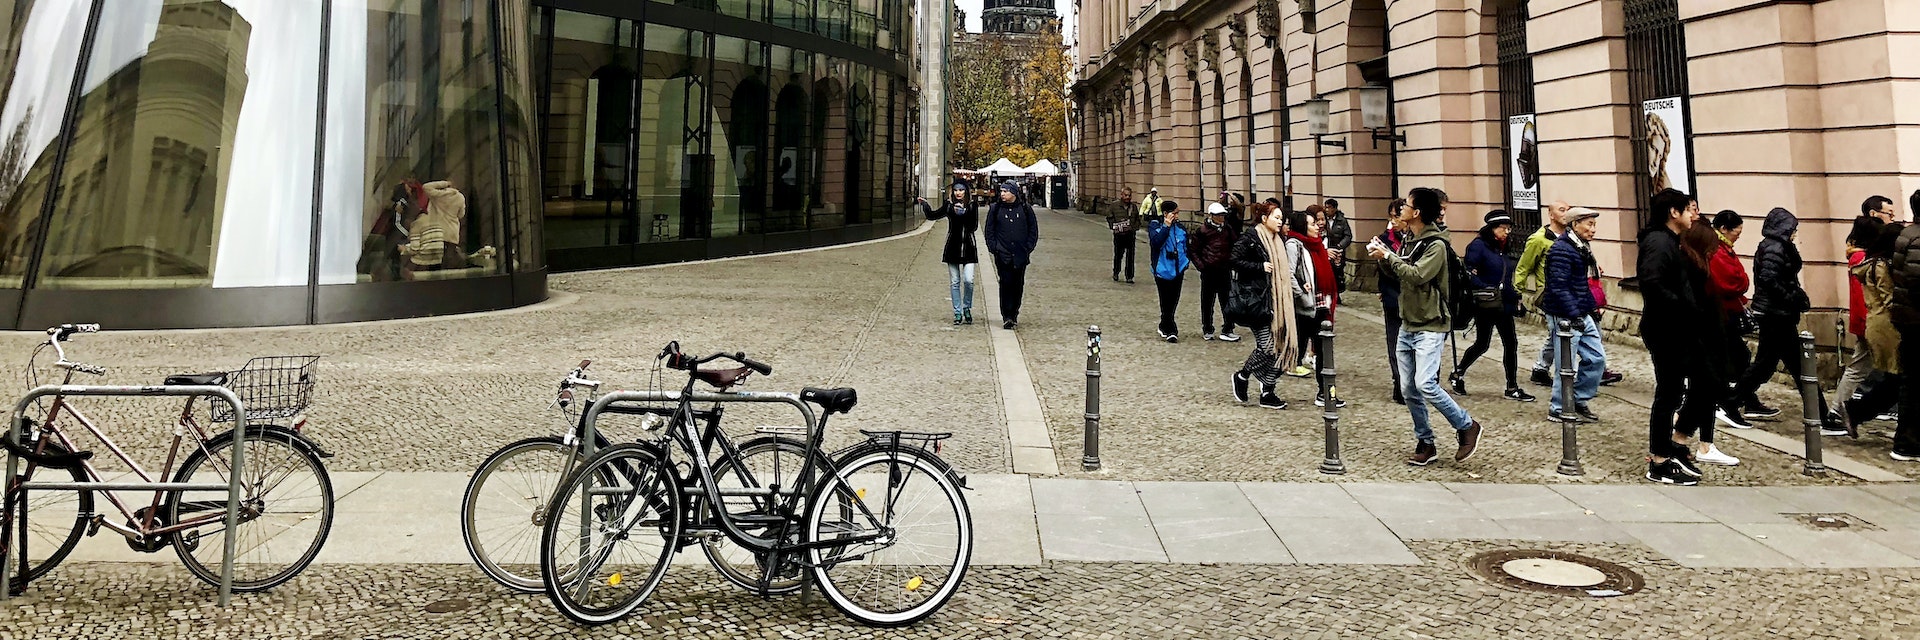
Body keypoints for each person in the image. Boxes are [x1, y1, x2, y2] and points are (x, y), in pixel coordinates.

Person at [1369, 187, 1484, 466]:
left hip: (1432, 323)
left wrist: (1389, 257)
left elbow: (1418, 275)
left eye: (1406, 205)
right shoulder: (1410, 239)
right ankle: (1426, 442)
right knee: (1408, 388)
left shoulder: (1436, 245)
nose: (1401, 210)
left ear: (1417, 213)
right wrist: (1383, 258)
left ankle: (1466, 425)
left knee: (1426, 384)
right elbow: (1401, 274)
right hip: (1410, 321)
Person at [1638, 189, 1719, 485]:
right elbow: (1652, 283)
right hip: (1667, 327)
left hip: (1682, 326)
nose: (1692, 215)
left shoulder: (1670, 240)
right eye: (1687, 210)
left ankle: (1677, 440)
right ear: (1674, 212)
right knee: (1669, 392)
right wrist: (1682, 307)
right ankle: (1659, 460)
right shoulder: (1658, 242)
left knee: (1708, 381)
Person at [1731, 208, 1811, 420]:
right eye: (1793, 229)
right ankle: (1732, 402)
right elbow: (1770, 279)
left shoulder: (1778, 246)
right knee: (1792, 366)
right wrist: (1792, 297)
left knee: (1769, 365)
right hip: (1775, 314)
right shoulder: (1775, 247)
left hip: (1777, 312)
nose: (1795, 232)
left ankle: (1733, 402)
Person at [1452, 210, 1535, 402]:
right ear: (1492, 228)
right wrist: (1486, 288)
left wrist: (1516, 297)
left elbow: (1506, 276)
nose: (1507, 232)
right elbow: (1469, 274)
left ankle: (1512, 386)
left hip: (1504, 304)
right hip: (1486, 303)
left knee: (1511, 343)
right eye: (1503, 228)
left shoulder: (1504, 248)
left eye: (1509, 228)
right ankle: (1458, 373)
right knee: (1482, 344)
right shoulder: (1478, 246)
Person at [1839, 222, 1907, 437]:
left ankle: (1856, 411)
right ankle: (1855, 411)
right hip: (1888, 326)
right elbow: (1889, 299)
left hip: (1881, 325)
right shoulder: (1880, 265)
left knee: (1895, 379)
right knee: (1898, 379)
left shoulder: (1874, 262)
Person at [1230, 203, 1300, 410]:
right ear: (1263, 219)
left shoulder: (1278, 240)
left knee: (1281, 347)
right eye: (1276, 218)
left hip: (1277, 302)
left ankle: (1267, 392)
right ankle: (1242, 376)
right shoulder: (1251, 238)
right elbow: (1234, 260)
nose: (1280, 222)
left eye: (1281, 218)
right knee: (1268, 347)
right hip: (1257, 301)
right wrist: (1259, 267)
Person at [1539, 207, 1605, 425]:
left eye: (1594, 224)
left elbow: (1580, 285)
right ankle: (1558, 407)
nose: (1593, 229)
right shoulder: (1561, 250)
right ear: (1575, 225)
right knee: (1565, 365)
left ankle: (1577, 399)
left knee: (1597, 359)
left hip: (1580, 311)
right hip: (1564, 315)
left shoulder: (1580, 247)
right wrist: (1575, 313)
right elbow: (1558, 286)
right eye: (1589, 224)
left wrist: (1591, 308)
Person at [1830, 216, 1887, 432]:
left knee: (1861, 368)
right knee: (1858, 369)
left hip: (1865, 320)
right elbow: (1862, 297)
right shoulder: (1863, 260)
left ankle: (1841, 410)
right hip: (1868, 321)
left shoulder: (1858, 258)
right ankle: (1837, 410)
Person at [1707, 210, 1757, 430]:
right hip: (1720, 313)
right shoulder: (1717, 250)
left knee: (1738, 357)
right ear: (1724, 229)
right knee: (1733, 358)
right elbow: (1733, 281)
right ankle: (1729, 401)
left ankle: (1741, 399)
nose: (1739, 236)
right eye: (1737, 231)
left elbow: (1740, 278)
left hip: (1727, 311)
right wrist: (1743, 283)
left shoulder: (1725, 247)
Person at [1517, 200, 1572, 386]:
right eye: (1562, 210)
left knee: (1557, 333)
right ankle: (1562, 379)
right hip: (1550, 294)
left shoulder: (1571, 235)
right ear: (1551, 214)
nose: (1566, 213)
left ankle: (1541, 368)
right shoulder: (1539, 239)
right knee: (1559, 332)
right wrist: (1517, 293)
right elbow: (1523, 267)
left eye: (1569, 210)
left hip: (1571, 293)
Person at [917, 182, 982, 325]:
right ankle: (957, 312)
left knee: (969, 280)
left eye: (961, 190)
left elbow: (973, 226)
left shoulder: (972, 205)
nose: (959, 193)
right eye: (956, 190)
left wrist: (964, 214)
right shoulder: (948, 205)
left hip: (968, 248)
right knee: (954, 282)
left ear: (966, 192)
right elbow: (933, 216)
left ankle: (967, 308)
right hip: (953, 247)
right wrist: (925, 206)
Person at [1886, 192, 1920, 461]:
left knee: (1910, 380)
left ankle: (1906, 439)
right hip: (1916, 318)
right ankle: (1907, 441)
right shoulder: (1917, 238)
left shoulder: (1907, 235)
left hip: (1907, 316)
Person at [984, 181, 1040, 330]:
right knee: (1005, 283)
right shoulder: (995, 209)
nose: (1002, 194)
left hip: (1020, 254)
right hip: (1003, 254)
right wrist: (994, 248)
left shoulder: (1025, 209)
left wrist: (1028, 248)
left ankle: (1014, 312)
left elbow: (1033, 230)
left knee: (1018, 284)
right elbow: (989, 231)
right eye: (1001, 191)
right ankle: (1007, 315)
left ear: (1014, 193)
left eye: (1006, 191)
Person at [1192, 203, 1242, 342]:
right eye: (1219, 215)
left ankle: (1228, 328)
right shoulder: (1202, 231)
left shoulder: (1227, 229)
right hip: (1209, 271)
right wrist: (1202, 266)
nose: (1222, 218)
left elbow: (1235, 245)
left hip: (1224, 270)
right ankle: (1207, 328)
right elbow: (1194, 250)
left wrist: (1232, 262)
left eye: (1223, 215)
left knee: (1227, 301)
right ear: (1212, 216)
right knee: (1207, 302)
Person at [1377, 200, 1409, 404]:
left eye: (1396, 216)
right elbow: (1385, 272)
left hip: (1415, 300)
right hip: (1394, 298)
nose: (1393, 221)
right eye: (1391, 216)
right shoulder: (1384, 240)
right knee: (1395, 343)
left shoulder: (1418, 238)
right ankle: (1399, 384)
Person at [1148, 200, 1191, 342]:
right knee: (1165, 300)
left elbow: (1186, 246)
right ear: (1166, 213)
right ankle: (1171, 329)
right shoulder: (1155, 225)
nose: (1177, 216)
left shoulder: (1181, 228)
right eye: (1175, 213)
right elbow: (1156, 243)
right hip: (1162, 270)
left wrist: (1186, 262)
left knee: (1174, 300)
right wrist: (1166, 226)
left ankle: (1164, 324)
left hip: (1178, 269)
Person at [1283, 211, 1320, 378]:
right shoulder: (1293, 245)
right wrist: (1300, 292)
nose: (1316, 226)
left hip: (1311, 297)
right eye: (1311, 223)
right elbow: (1289, 272)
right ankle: (1293, 363)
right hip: (1302, 300)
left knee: (1308, 331)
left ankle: (1298, 361)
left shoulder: (1307, 244)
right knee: (1302, 332)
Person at [1111, 187, 1141, 283]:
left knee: (1130, 256)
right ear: (1122, 195)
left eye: (1129, 195)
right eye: (1126, 195)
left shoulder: (1134, 207)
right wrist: (1115, 226)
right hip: (1119, 235)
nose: (1127, 197)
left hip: (1130, 235)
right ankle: (1116, 272)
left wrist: (1133, 228)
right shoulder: (1114, 206)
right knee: (1118, 255)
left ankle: (1129, 276)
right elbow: (1109, 218)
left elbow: (1137, 220)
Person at [1323, 198, 1354, 292]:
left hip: (1338, 251)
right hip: (1326, 249)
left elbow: (1348, 236)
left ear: (1335, 208)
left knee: (1338, 272)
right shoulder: (1323, 220)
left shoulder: (1342, 221)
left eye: (1329, 207)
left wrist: (1340, 246)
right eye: (1326, 207)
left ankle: (1337, 292)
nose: (1327, 210)